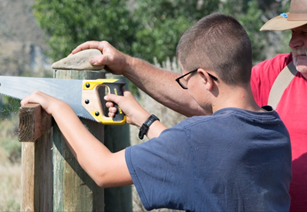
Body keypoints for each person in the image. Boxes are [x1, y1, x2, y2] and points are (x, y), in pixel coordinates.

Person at [22, 14, 291, 211]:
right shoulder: (275, 129)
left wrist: (58, 107)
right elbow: (201, 157)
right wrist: (144, 118)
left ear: (205, 78)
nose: (184, 84)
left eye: (185, 77)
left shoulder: (196, 139)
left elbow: (103, 170)